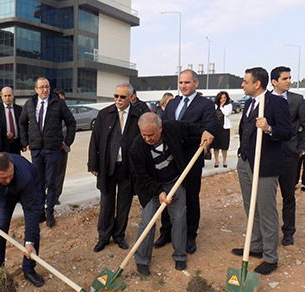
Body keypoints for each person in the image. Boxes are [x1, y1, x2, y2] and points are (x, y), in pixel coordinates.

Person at [129, 113, 213, 276]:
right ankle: (142, 259)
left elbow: (191, 128)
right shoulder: (136, 148)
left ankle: (180, 256)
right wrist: (159, 192)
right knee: (147, 222)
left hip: (175, 182)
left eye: (150, 135)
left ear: (160, 128)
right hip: (151, 187)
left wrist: (204, 131)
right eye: (143, 134)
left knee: (180, 219)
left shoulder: (172, 128)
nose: (147, 138)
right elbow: (141, 177)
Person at [231, 67, 292, 276]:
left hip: (265, 166)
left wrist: (269, 128)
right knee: (251, 207)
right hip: (246, 162)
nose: (242, 84)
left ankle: (270, 257)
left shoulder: (276, 103)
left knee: (266, 211)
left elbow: (286, 133)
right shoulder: (249, 103)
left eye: (245, 81)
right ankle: (254, 246)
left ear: (257, 84)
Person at [159, 69, 216, 253]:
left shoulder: (206, 105)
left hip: (191, 159)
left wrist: (182, 139)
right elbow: (165, 126)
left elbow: (207, 130)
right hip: (170, 160)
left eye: (187, 83)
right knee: (168, 196)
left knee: (191, 198)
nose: (183, 86)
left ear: (196, 83)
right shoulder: (173, 103)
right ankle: (166, 232)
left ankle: (190, 236)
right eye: (181, 83)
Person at [0, 152, 45, 287]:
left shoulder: (24, 177)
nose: (8, 180)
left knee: (33, 230)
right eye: (4, 177)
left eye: (10, 175)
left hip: (29, 188)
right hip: (3, 193)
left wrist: (29, 242)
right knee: (0, 228)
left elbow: (31, 212)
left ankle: (29, 269)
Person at [88, 83, 143, 252]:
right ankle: (103, 237)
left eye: (122, 97)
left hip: (128, 168)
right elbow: (95, 140)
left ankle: (119, 235)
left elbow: (143, 143)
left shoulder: (138, 116)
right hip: (107, 167)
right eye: (116, 96)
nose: (118, 100)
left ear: (131, 98)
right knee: (106, 203)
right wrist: (93, 164)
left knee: (124, 204)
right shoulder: (105, 114)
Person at [19, 77, 76, 227]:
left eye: (47, 87)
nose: (45, 90)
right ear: (36, 89)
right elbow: (22, 123)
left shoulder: (59, 103)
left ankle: (50, 212)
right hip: (36, 150)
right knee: (38, 183)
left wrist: (67, 141)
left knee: (51, 182)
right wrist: (25, 142)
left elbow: (71, 122)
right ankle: (40, 212)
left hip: (52, 149)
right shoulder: (30, 104)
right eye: (42, 87)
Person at [270, 66, 305, 246]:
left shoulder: (297, 100)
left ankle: (288, 232)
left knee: (288, 196)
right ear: (274, 82)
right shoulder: (265, 100)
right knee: (267, 197)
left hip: (290, 156)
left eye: (289, 78)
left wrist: (301, 149)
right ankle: (267, 232)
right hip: (269, 155)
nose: (289, 81)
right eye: (285, 78)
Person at [53, 88, 70, 205]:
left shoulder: (67, 111)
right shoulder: (49, 112)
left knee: (59, 173)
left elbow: (71, 127)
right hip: (50, 148)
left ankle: (56, 196)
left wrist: (66, 142)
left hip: (63, 148)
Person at [0, 87, 23, 155]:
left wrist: (23, 143)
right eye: (5, 96)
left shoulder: (19, 109)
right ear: (1, 97)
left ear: (13, 95)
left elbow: (22, 126)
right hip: (3, 144)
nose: (7, 98)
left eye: (9, 95)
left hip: (16, 144)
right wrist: (5, 133)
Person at [211, 91, 233, 168]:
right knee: (216, 145)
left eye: (224, 98)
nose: (223, 99)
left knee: (224, 146)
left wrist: (222, 106)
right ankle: (216, 160)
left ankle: (224, 160)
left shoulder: (228, 105)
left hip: (224, 128)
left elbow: (227, 113)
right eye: (221, 98)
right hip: (216, 127)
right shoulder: (214, 106)